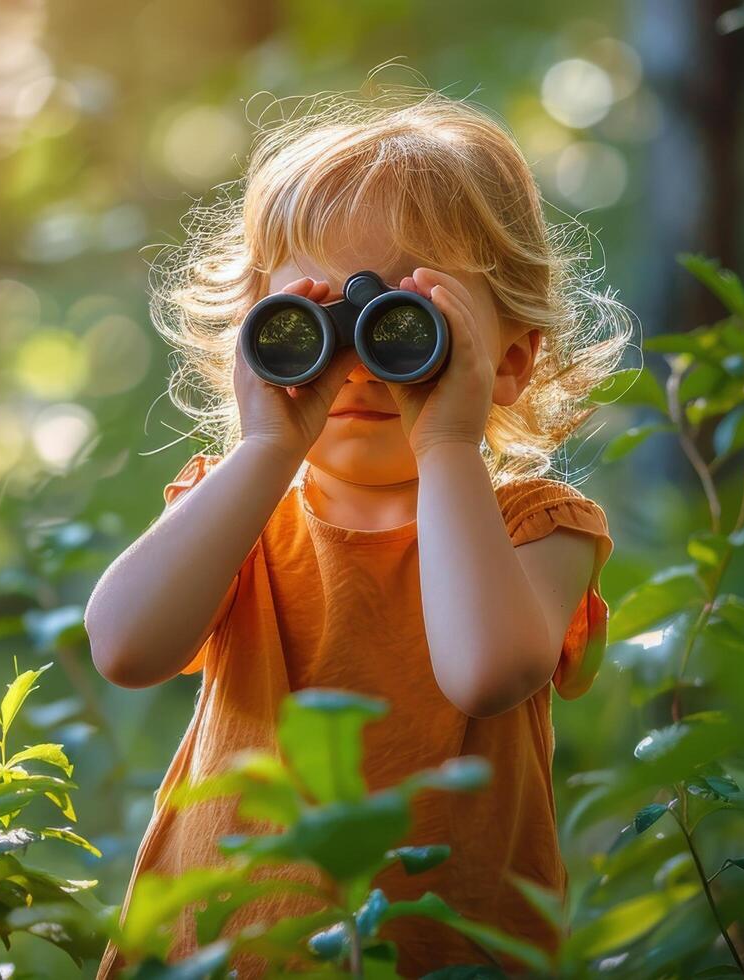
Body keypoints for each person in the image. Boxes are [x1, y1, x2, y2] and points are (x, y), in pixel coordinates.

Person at [85, 86, 634, 977]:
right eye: (317, 320)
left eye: (405, 327)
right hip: (221, 956)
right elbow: (124, 647)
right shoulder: (238, 516)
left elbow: (487, 672)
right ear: (258, 337)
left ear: (510, 360)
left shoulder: (535, 530)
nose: (360, 365)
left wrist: (448, 439)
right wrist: (267, 445)